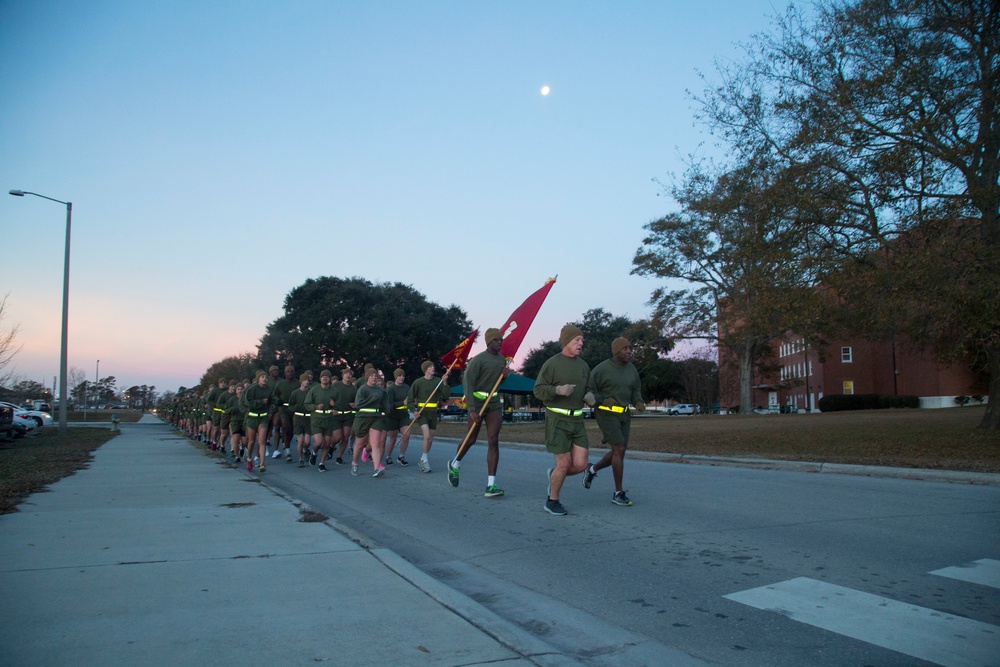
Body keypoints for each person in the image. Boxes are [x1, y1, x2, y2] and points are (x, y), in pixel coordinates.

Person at [532, 325, 593, 516]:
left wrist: (590, 395)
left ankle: (554, 476)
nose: (581, 343)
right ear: (566, 341)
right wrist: (557, 390)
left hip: (577, 420)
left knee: (582, 464)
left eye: (582, 340)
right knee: (564, 464)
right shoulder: (552, 364)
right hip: (557, 419)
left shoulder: (583, 365)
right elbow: (538, 390)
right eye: (577, 340)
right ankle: (552, 501)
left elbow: (588, 387)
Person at [583, 337, 645, 507]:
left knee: (620, 451)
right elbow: (588, 392)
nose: (629, 351)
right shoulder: (601, 369)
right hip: (606, 414)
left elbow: (635, 389)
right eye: (625, 349)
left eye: (629, 348)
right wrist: (602, 400)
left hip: (624, 415)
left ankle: (592, 469)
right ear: (616, 351)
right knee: (619, 448)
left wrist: (638, 401)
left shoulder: (631, 369)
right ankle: (618, 493)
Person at [447, 328, 507, 497]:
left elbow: (497, 382)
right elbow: (468, 383)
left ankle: (491, 485)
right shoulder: (478, 360)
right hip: (477, 402)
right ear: (489, 342)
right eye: (496, 340)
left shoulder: (502, 360)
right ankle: (455, 464)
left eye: (501, 340)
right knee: (471, 438)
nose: (499, 343)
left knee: (493, 440)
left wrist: (504, 376)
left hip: (494, 403)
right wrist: (471, 409)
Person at [407, 360, 450, 473]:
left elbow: (446, 396)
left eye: (433, 366)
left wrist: (444, 383)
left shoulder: (438, 381)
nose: (432, 368)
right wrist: (414, 411)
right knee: (426, 436)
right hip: (422, 413)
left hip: (433, 412)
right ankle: (425, 461)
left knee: (430, 438)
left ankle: (422, 458)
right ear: (425, 369)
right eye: (430, 367)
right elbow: (410, 400)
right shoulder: (418, 382)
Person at [352, 367, 389, 477]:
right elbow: (358, 404)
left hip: (376, 418)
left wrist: (386, 410)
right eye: (372, 375)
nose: (374, 377)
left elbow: (385, 404)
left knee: (375, 444)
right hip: (362, 418)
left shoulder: (380, 391)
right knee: (359, 444)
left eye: (375, 375)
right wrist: (372, 399)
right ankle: (355, 463)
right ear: (367, 377)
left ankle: (377, 468)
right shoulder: (363, 389)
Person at [305, 369, 339, 472]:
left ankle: (322, 463)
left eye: (327, 376)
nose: (325, 378)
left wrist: (334, 406)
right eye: (323, 376)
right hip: (316, 419)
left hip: (328, 419)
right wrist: (316, 407)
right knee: (318, 442)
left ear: (329, 379)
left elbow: (339, 405)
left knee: (327, 443)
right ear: (320, 379)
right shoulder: (314, 390)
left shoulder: (334, 391)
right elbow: (307, 404)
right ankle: (314, 453)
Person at [243, 371, 274, 472]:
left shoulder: (269, 389)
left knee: (262, 441)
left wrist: (271, 407)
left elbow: (271, 401)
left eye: (266, 377)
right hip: (252, 417)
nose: (264, 379)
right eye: (262, 377)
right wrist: (260, 402)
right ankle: (249, 459)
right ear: (258, 379)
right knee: (251, 441)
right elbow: (247, 402)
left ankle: (262, 463)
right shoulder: (252, 389)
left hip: (263, 417)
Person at [383, 368, 411, 466]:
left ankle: (401, 456)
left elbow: (410, 400)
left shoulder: (407, 387)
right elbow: (389, 404)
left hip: (403, 414)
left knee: (406, 435)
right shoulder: (391, 388)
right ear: (396, 377)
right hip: (392, 415)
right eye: (399, 376)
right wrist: (401, 403)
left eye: (403, 376)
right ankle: (388, 456)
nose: (401, 378)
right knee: (393, 437)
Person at [330, 368, 357, 465]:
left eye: (350, 374)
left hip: (348, 415)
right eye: (346, 374)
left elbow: (357, 402)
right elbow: (329, 397)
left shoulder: (354, 389)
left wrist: (354, 405)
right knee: (337, 437)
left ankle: (339, 457)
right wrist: (331, 405)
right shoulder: (336, 385)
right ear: (343, 375)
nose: (348, 376)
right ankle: (331, 445)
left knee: (346, 436)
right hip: (336, 414)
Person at [271, 364, 297, 462]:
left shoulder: (297, 383)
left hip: (293, 408)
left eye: (291, 371)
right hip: (283, 408)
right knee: (286, 428)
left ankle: (286, 444)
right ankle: (288, 450)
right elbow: (275, 394)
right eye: (288, 371)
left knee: (292, 430)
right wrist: (278, 400)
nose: (290, 373)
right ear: (285, 373)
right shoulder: (280, 384)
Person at [288, 373, 313, 466]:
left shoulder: (311, 392)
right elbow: (290, 406)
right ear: (301, 381)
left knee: (307, 441)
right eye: (304, 380)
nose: (306, 382)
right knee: (300, 440)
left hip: (308, 417)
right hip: (298, 417)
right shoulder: (295, 393)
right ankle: (300, 459)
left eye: (307, 380)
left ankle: (305, 450)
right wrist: (297, 408)